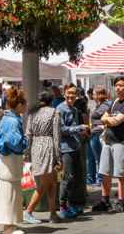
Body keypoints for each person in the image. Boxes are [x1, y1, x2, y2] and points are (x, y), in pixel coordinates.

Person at [92, 76, 124, 213]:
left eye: (121, 85)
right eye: (116, 85)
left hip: (122, 142)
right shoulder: (115, 101)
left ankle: (120, 202)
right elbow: (102, 117)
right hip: (109, 140)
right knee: (104, 171)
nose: (117, 88)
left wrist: (107, 119)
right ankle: (105, 200)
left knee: (121, 173)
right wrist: (107, 119)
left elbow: (115, 121)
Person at [22, 90, 62, 225]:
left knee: (51, 182)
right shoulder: (54, 112)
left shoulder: (33, 113)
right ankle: (28, 211)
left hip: (36, 146)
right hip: (48, 146)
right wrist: (59, 157)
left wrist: (25, 153)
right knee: (45, 183)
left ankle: (53, 213)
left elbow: (28, 134)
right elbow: (56, 136)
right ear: (52, 100)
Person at [0, 88, 28, 234]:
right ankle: (8, 226)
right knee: (9, 194)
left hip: (6, 160)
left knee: (9, 193)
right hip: (10, 162)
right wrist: (25, 140)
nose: (26, 106)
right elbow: (16, 142)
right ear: (19, 105)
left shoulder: (7, 119)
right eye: (24, 103)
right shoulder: (13, 121)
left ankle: (10, 224)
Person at [56, 83, 88, 218]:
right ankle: (62, 206)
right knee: (67, 178)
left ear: (77, 95)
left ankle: (70, 203)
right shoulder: (60, 109)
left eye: (73, 93)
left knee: (80, 178)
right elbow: (61, 129)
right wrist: (78, 129)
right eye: (68, 92)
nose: (71, 95)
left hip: (75, 146)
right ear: (64, 93)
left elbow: (72, 128)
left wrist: (79, 131)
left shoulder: (74, 109)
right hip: (66, 148)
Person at [88, 87, 111, 187]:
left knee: (100, 158)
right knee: (93, 157)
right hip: (94, 133)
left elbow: (110, 118)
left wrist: (104, 126)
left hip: (98, 134)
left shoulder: (104, 106)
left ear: (98, 95)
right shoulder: (98, 105)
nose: (92, 96)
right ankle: (94, 178)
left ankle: (101, 180)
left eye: (94, 94)